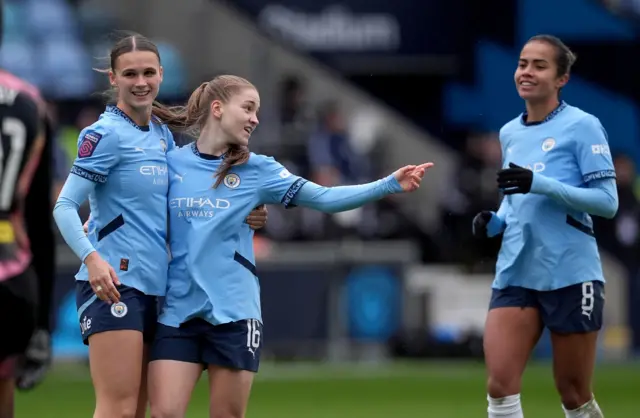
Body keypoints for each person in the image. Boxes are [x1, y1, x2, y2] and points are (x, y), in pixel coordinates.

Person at [146, 75, 433, 418]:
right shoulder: (172, 163)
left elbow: (325, 198)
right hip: (179, 312)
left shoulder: (259, 170)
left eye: (258, 111)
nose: (255, 118)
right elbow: (138, 208)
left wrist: (389, 184)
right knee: (164, 413)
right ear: (218, 109)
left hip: (235, 313)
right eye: (248, 108)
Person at [52, 34, 268, 418]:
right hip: (115, 283)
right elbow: (65, 206)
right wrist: (92, 259)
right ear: (113, 78)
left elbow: (180, 207)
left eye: (149, 72)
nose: (141, 82)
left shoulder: (162, 136)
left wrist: (247, 211)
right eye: (130, 73)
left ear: (161, 75)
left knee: (137, 410)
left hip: (157, 288)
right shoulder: (103, 135)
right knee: (117, 408)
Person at [472, 35, 617, 418]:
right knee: (500, 387)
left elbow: (608, 203)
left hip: (569, 272)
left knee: (573, 393)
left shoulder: (583, 126)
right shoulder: (509, 132)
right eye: (522, 63)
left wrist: (541, 185)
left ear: (561, 79)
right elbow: (516, 195)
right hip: (516, 271)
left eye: (539, 65)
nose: (527, 72)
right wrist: (495, 220)